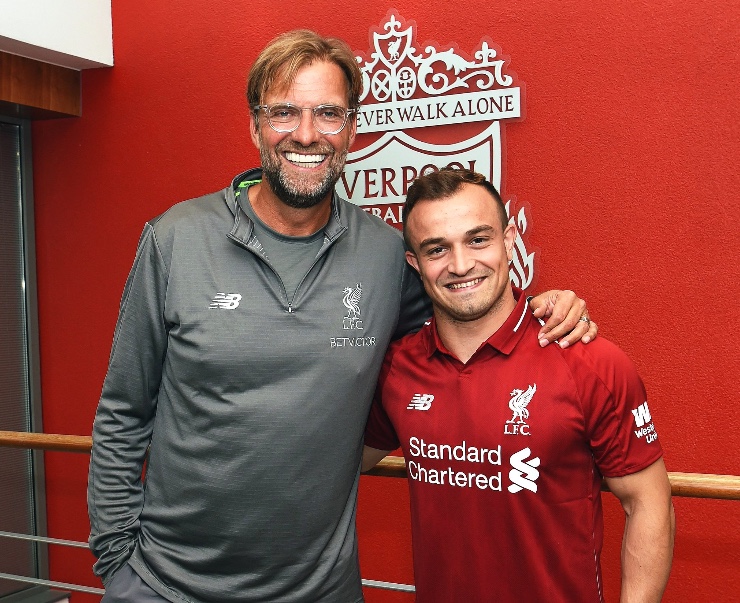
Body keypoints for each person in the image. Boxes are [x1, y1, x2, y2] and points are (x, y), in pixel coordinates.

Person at [87, 30, 596, 603]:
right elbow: (124, 410)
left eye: (328, 113)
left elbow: (466, 313)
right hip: (166, 586)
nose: (307, 134)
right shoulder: (176, 239)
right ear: (255, 126)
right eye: (284, 112)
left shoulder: (385, 255)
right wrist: (118, 563)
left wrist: (545, 308)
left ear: (352, 130)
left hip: (321, 589)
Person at [362, 168, 675, 603]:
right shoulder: (399, 367)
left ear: (509, 241)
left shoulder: (588, 362)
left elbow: (648, 503)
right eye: (437, 249)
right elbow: (342, 462)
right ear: (415, 263)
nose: (460, 265)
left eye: (478, 240)